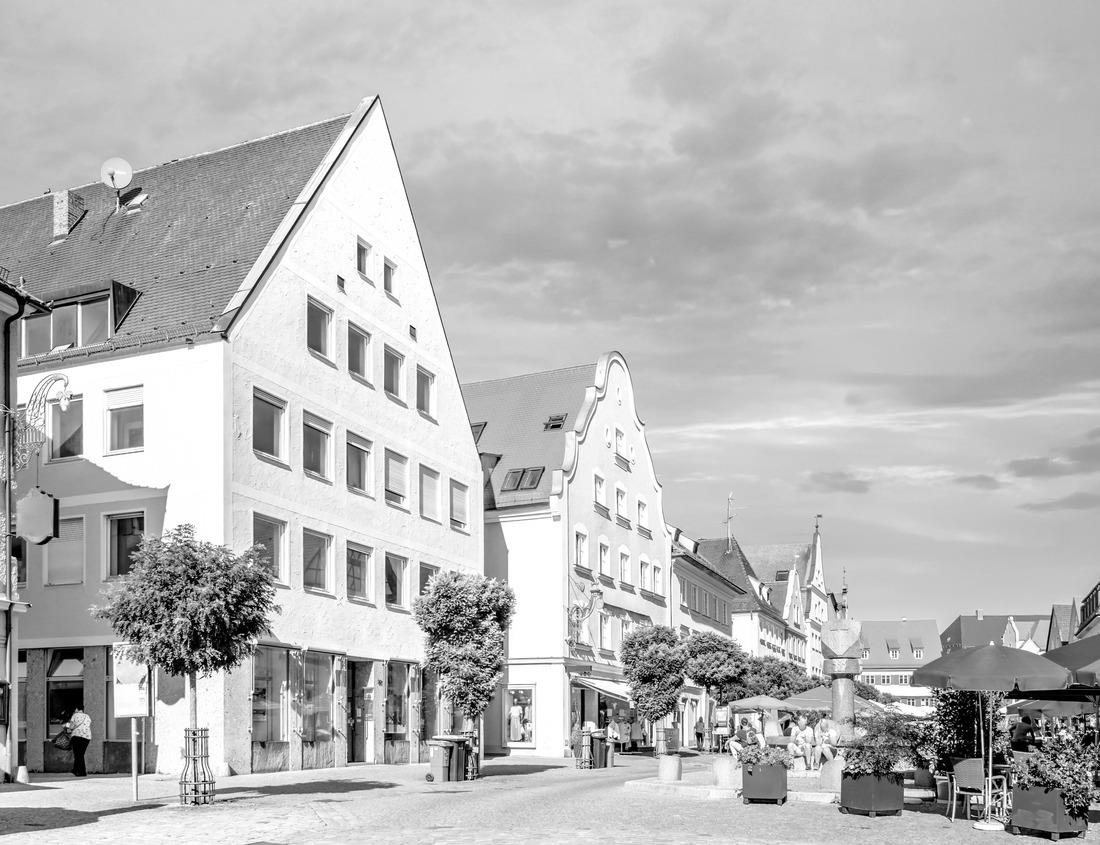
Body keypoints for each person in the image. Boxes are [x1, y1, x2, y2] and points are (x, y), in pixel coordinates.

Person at [64, 703, 92, 777]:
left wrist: (66, 726)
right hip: (87, 737)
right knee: (80, 754)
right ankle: (76, 770)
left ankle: (81, 772)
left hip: (77, 736)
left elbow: (71, 727)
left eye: (75, 709)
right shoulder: (87, 716)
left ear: (77, 709)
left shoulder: (75, 715)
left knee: (78, 754)